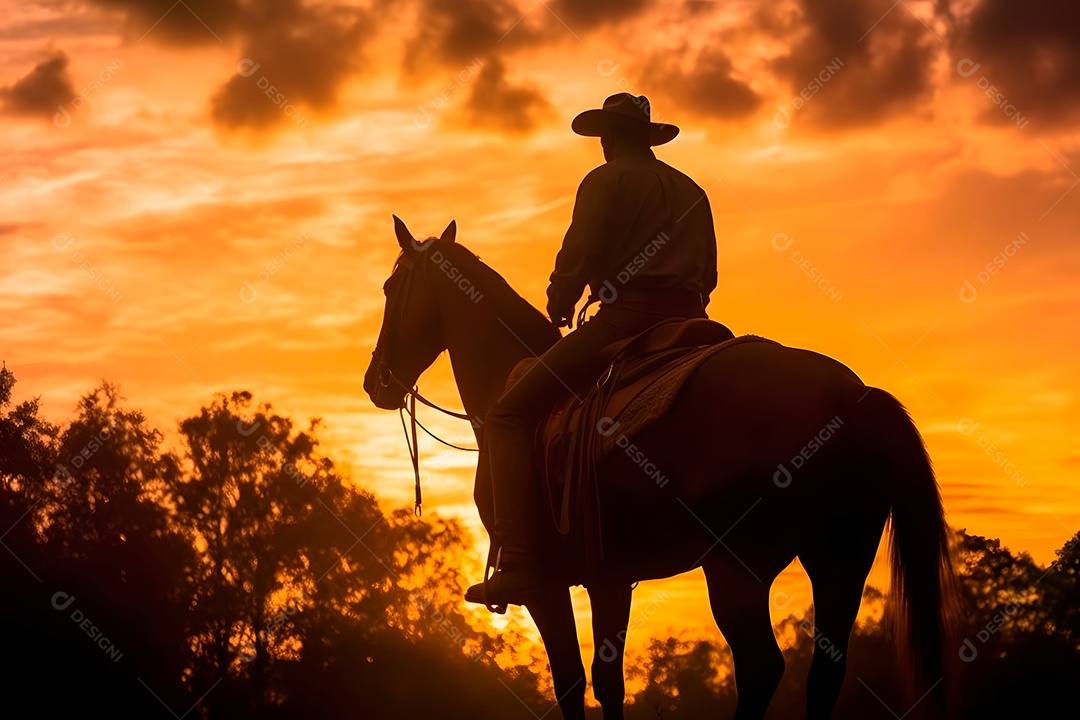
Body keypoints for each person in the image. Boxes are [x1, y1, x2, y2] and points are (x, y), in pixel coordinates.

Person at [465, 93, 718, 608]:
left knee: (507, 415)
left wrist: (560, 301)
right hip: (695, 322)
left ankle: (517, 564)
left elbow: (580, 252)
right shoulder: (693, 189)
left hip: (627, 319)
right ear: (646, 137)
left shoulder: (604, 181)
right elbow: (710, 273)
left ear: (608, 137)